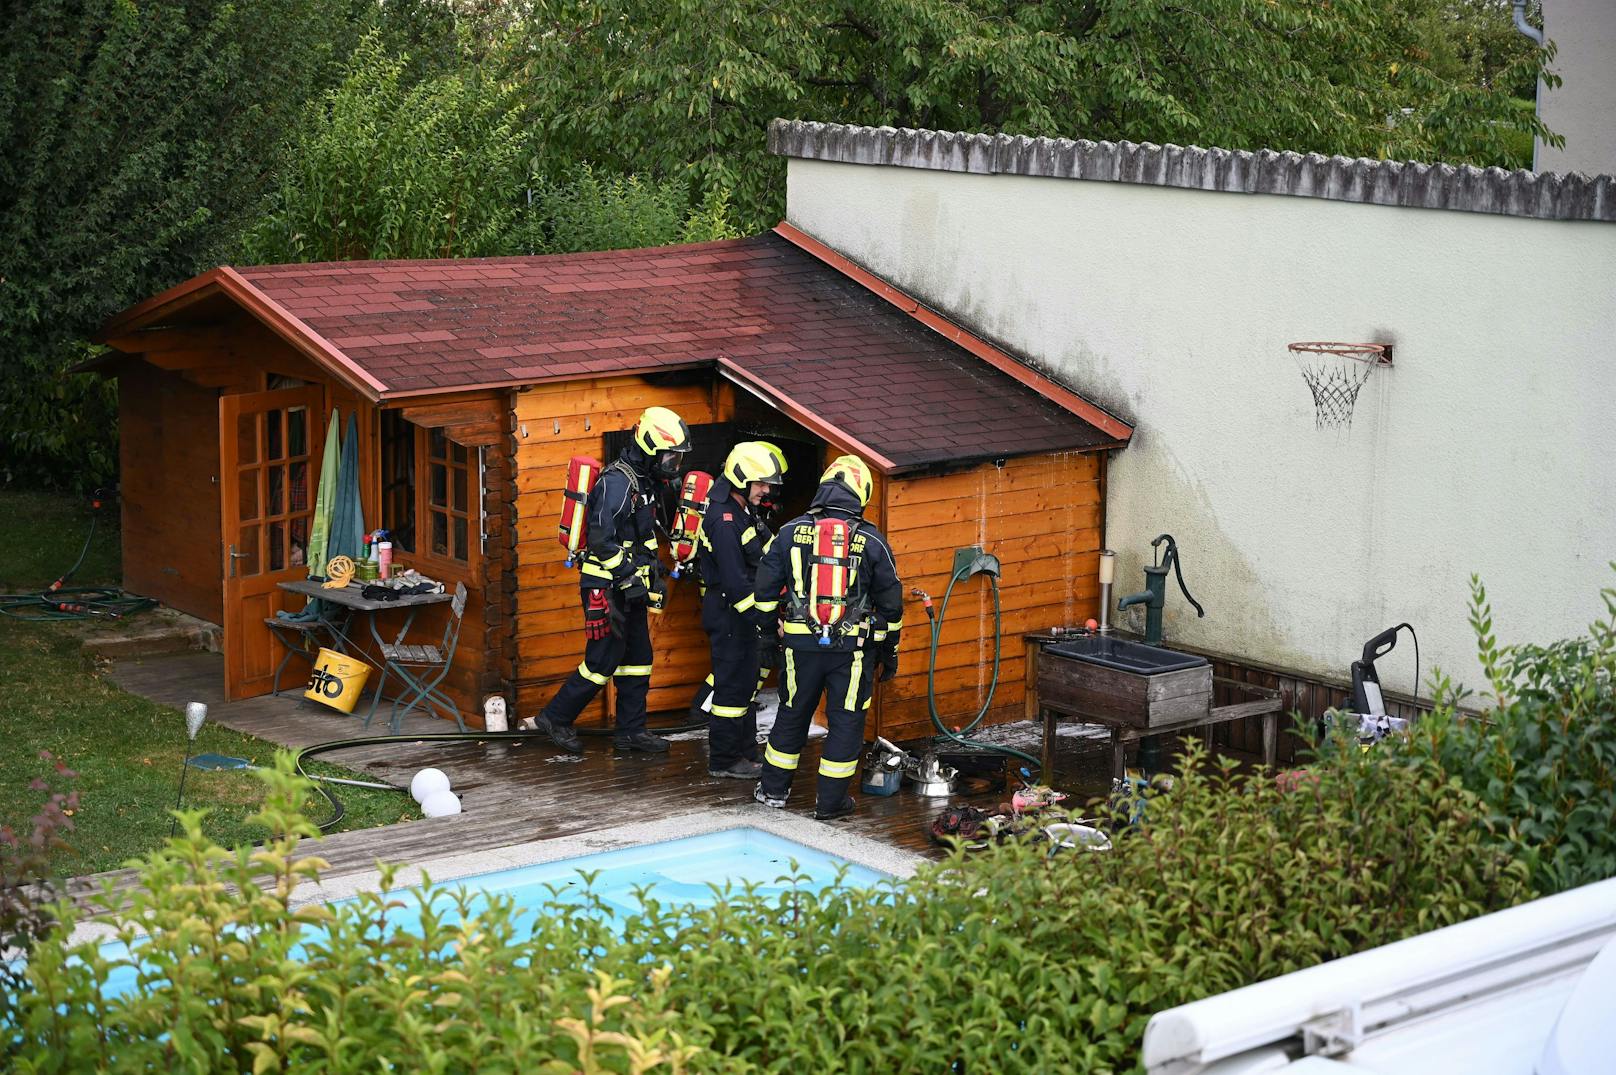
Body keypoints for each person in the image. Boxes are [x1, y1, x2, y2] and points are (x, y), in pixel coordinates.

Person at [749, 454, 903, 820]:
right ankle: (831, 802)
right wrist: (889, 649)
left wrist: (767, 637)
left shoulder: (788, 532)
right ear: (860, 493)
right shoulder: (871, 541)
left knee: (792, 713)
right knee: (846, 719)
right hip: (851, 651)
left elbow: (765, 590)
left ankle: (773, 791)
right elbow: (891, 604)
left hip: (799, 647)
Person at [528, 406, 690, 754]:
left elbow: (642, 537)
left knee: (639, 658)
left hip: (628, 586)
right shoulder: (618, 482)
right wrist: (628, 574)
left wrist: (653, 573)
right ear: (649, 446)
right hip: (604, 587)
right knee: (603, 659)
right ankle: (555, 717)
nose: (673, 466)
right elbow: (602, 540)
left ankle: (631, 732)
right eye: (670, 458)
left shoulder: (643, 482)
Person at [696, 442, 786, 779]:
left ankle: (745, 753)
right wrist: (767, 623)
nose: (765, 490)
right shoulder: (724, 521)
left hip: (741, 616)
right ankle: (723, 760)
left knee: (746, 687)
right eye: (760, 483)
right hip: (729, 615)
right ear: (740, 479)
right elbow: (736, 584)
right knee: (731, 691)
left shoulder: (741, 511)